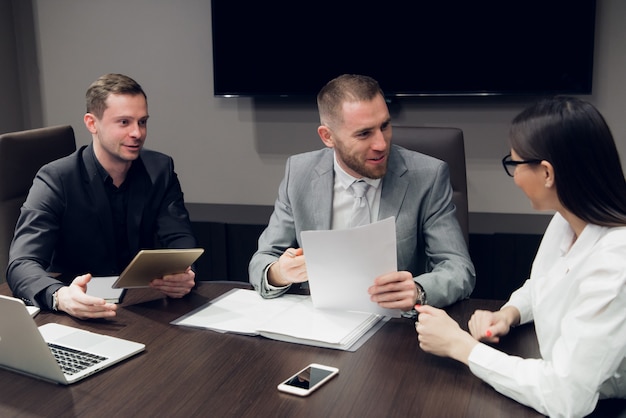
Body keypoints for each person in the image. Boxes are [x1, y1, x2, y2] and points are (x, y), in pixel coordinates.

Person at [415, 97, 626, 417]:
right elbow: (544, 283)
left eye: (514, 164)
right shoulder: (567, 219)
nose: (513, 177)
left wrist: (460, 346)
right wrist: (509, 313)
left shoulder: (616, 259)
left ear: (546, 173)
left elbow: (566, 397)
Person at [248, 74, 475, 311]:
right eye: (364, 133)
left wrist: (418, 290)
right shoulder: (300, 173)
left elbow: (459, 269)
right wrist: (280, 272)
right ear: (328, 136)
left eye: (385, 126)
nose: (381, 144)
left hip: (395, 327)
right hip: (319, 319)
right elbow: (262, 260)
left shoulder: (428, 176)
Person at [6, 73, 198, 320]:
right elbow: (22, 263)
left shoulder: (160, 169)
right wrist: (60, 296)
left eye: (142, 122)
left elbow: (180, 238)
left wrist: (184, 273)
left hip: (143, 307)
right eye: (124, 122)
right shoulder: (56, 178)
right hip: (78, 309)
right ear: (91, 123)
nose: (137, 133)